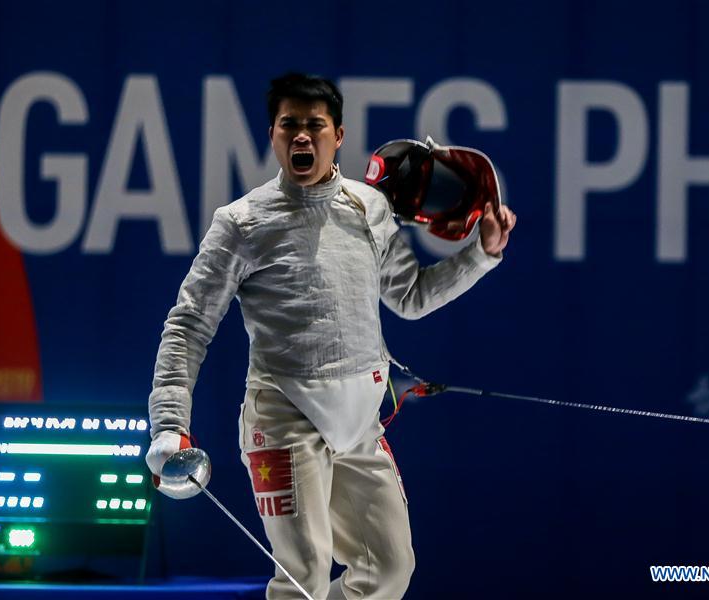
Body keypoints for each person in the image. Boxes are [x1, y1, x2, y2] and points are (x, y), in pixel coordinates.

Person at [146, 73, 516, 599]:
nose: (302, 136)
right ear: (273, 135)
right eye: (289, 125)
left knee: (389, 570)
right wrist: (168, 424)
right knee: (304, 580)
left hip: (359, 427)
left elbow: (410, 296)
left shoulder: (371, 208)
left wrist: (481, 254)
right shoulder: (241, 223)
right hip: (283, 422)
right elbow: (188, 325)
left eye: (314, 125)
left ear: (337, 135)